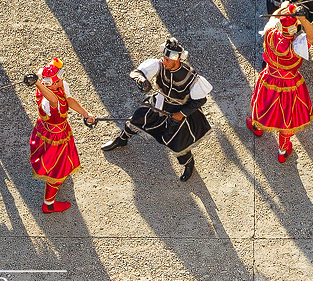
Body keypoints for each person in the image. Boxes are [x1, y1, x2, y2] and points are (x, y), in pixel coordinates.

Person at [100, 38, 213, 182]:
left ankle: (188, 163)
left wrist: (181, 114)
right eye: (164, 58)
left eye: (167, 60)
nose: (164, 61)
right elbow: (137, 72)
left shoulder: (190, 76)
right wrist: (142, 80)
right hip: (160, 102)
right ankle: (122, 140)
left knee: (178, 141)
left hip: (180, 110)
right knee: (139, 117)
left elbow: (201, 100)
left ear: (177, 60)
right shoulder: (159, 65)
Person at [247, 2, 313, 163]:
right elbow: (312, 34)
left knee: (262, 104)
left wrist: (284, 6)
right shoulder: (297, 47)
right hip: (290, 85)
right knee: (287, 116)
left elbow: (273, 17)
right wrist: (303, 19)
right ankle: (283, 150)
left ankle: (257, 127)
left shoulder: (270, 33)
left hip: (269, 78)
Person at [30, 58, 96, 213]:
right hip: (55, 137)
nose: (62, 80)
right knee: (57, 169)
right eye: (59, 79)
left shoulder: (53, 85)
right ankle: (49, 204)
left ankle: (57, 180)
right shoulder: (49, 100)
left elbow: (68, 99)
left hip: (52, 130)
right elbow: (54, 100)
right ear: (52, 84)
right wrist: (37, 83)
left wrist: (85, 113)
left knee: (58, 163)